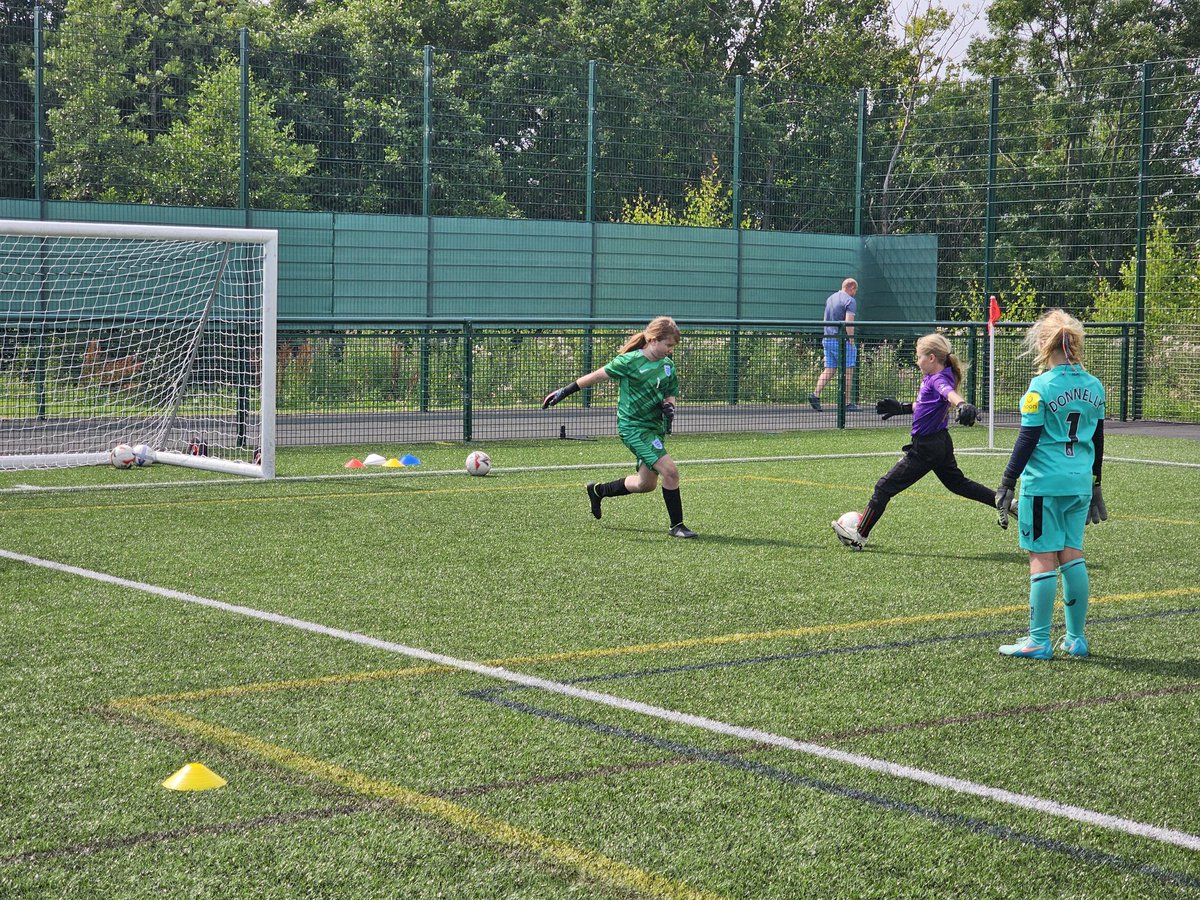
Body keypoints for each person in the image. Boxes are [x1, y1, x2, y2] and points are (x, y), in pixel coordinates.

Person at [994, 309, 1107, 660]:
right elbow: (1098, 439)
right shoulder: (1094, 385)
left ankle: (1038, 641)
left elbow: (1027, 439)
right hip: (1080, 484)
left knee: (1042, 558)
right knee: (1072, 556)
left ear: (1044, 342)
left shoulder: (1040, 386)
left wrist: (1007, 481)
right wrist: (1096, 484)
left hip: (1044, 485)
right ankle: (1076, 638)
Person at [832, 332, 1002, 550]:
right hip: (940, 442)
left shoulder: (938, 379)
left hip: (926, 448)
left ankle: (859, 535)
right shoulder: (936, 376)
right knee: (958, 484)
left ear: (931, 358)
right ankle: (1004, 502)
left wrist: (962, 405)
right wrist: (902, 408)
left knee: (884, 487)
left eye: (919, 356)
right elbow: (925, 405)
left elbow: (949, 393)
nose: (917, 360)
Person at [542, 316, 696, 539]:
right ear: (653, 340)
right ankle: (677, 526)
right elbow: (596, 376)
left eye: (673, 346)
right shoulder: (629, 362)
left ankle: (599, 490)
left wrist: (669, 406)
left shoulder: (667, 365)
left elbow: (669, 392)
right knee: (670, 472)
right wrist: (564, 392)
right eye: (668, 345)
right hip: (633, 428)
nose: (671, 350)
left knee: (645, 484)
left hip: (654, 428)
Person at [809, 277, 859, 412]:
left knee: (830, 369)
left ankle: (815, 394)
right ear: (852, 288)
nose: (855, 293)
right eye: (855, 290)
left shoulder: (831, 298)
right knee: (848, 370)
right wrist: (851, 340)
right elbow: (849, 322)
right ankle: (847, 403)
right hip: (841, 340)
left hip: (827, 338)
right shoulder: (850, 300)